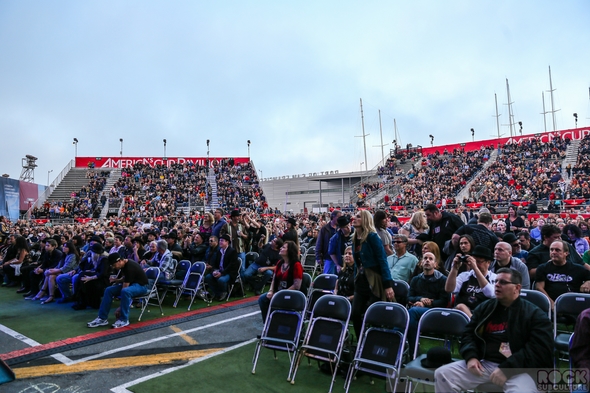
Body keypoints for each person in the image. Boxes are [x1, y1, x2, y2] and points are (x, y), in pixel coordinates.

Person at [434, 268, 554, 393]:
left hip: (520, 368)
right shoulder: (486, 308)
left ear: (517, 288)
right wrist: (471, 357)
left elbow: (538, 350)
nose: (497, 285)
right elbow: (468, 334)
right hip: (485, 364)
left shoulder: (534, 315)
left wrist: (506, 369)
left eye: (503, 282)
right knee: (443, 375)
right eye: (496, 281)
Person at [350, 210, 395, 339]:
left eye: (358, 217)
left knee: (374, 314)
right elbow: (357, 264)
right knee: (356, 313)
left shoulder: (372, 237)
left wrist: (388, 284)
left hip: (374, 280)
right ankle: (360, 341)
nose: (354, 218)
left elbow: (382, 260)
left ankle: (375, 341)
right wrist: (355, 278)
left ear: (365, 220)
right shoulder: (354, 238)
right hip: (361, 281)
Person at [87, 253, 149, 329]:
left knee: (125, 291)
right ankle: (102, 318)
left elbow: (125, 286)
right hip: (132, 285)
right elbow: (126, 278)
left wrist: (120, 308)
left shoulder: (130, 267)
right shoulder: (124, 265)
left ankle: (124, 320)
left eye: (114, 265)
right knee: (108, 290)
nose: (113, 267)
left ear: (119, 261)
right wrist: (117, 280)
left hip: (141, 286)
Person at [407, 251, 449, 351]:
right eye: (425, 258)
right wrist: (420, 299)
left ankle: (411, 349)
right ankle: (413, 349)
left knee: (411, 313)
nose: (427, 260)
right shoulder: (416, 279)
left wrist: (428, 303)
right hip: (417, 309)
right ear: (421, 263)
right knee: (411, 314)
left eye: (430, 259)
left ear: (435, 264)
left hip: (435, 312)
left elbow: (444, 301)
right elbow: (408, 297)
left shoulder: (443, 280)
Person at [445, 245, 497, 318]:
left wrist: (475, 268)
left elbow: (490, 294)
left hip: (484, 314)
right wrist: (454, 268)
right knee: (460, 307)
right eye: (474, 261)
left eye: (479, 262)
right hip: (462, 314)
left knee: (461, 307)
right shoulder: (465, 276)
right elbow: (449, 289)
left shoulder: (494, 277)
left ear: (488, 263)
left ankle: (473, 323)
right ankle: (473, 322)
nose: (475, 264)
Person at [535, 239, 590, 308]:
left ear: (566, 253)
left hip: (574, 304)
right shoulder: (542, 268)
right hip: (550, 304)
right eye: (551, 250)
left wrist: (588, 282)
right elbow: (539, 288)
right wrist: (552, 304)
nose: (553, 252)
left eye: (557, 250)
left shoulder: (577, 269)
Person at [258, 240, 303, 322]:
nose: (281, 248)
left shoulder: (296, 265)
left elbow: (297, 285)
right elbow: (274, 279)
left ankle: (276, 322)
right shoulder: (279, 263)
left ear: (289, 251)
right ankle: (268, 323)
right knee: (262, 299)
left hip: (290, 293)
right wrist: (271, 291)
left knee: (275, 301)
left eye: (283, 247)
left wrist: (280, 294)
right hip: (278, 292)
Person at [204, 234, 239, 300]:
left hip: (229, 272)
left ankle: (224, 292)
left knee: (221, 280)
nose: (220, 242)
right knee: (208, 277)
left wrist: (222, 273)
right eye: (220, 240)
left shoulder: (232, 251)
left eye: (222, 241)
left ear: (227, 242)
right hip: (220, 270)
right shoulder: (219, 251)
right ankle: (218, 293)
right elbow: (215, 263)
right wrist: (214, 271)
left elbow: (231, 266)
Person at [315, 210, 342, 276]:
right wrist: (318, 256)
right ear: (333, 217)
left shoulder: (341, 228)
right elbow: (319, 242)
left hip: (340, 257)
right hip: (328, 257)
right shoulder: (325, 229)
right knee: (328, 278)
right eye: (339, 217)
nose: (340, 219)